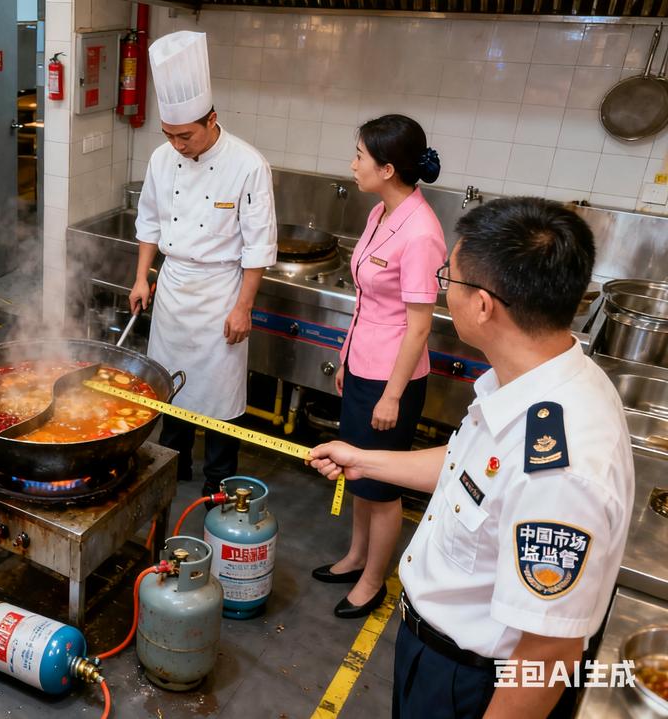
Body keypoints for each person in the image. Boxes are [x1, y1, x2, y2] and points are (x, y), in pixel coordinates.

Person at [310, 198, 634, 718]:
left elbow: (548, 654)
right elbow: (467, 469)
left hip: (473, 684)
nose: (443, 290)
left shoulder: (560, 469)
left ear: (483, 305)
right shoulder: (527, 383)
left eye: (450, 279)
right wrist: (365, 461)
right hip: (433, 653)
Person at [129, 31, 277, 496]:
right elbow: (149, 220)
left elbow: (258, 246)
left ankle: (219, 485)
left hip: (221, 292)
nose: (177, 145)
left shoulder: (248, 165)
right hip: (174, 288)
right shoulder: (161, 158)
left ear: (211, 120)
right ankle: (174, 470)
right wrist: (141, 278)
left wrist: (243, 307)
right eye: (169, 135)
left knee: (220, 401)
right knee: (171, 392)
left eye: (185, 135)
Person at [311, 115, 446, 620]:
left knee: (382, 487)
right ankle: (354, 556)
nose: (353, 164)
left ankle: (372, 582)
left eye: (360, 156)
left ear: (387, 168)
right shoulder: (379, 213)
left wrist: (391, 394)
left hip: (394, 379)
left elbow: (417, 328)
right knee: (357, 470)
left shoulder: (422, 232)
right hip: (363, 368)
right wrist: (346, 357)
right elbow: (366, 299)